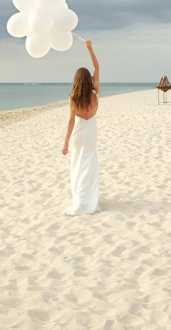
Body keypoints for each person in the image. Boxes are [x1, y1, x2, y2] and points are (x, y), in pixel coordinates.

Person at [62, 40, 100, 216]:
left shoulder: (72, 98)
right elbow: (96, 67)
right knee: (89, 164)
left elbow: (71, 121)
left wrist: (66, 142)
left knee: (77, 166)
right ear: (89, 79)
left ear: (76, 80)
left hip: (77, 135)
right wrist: (89, 48)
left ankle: (79, 198)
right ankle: (90, 200)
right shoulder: (94, 94)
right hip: (90, 134)